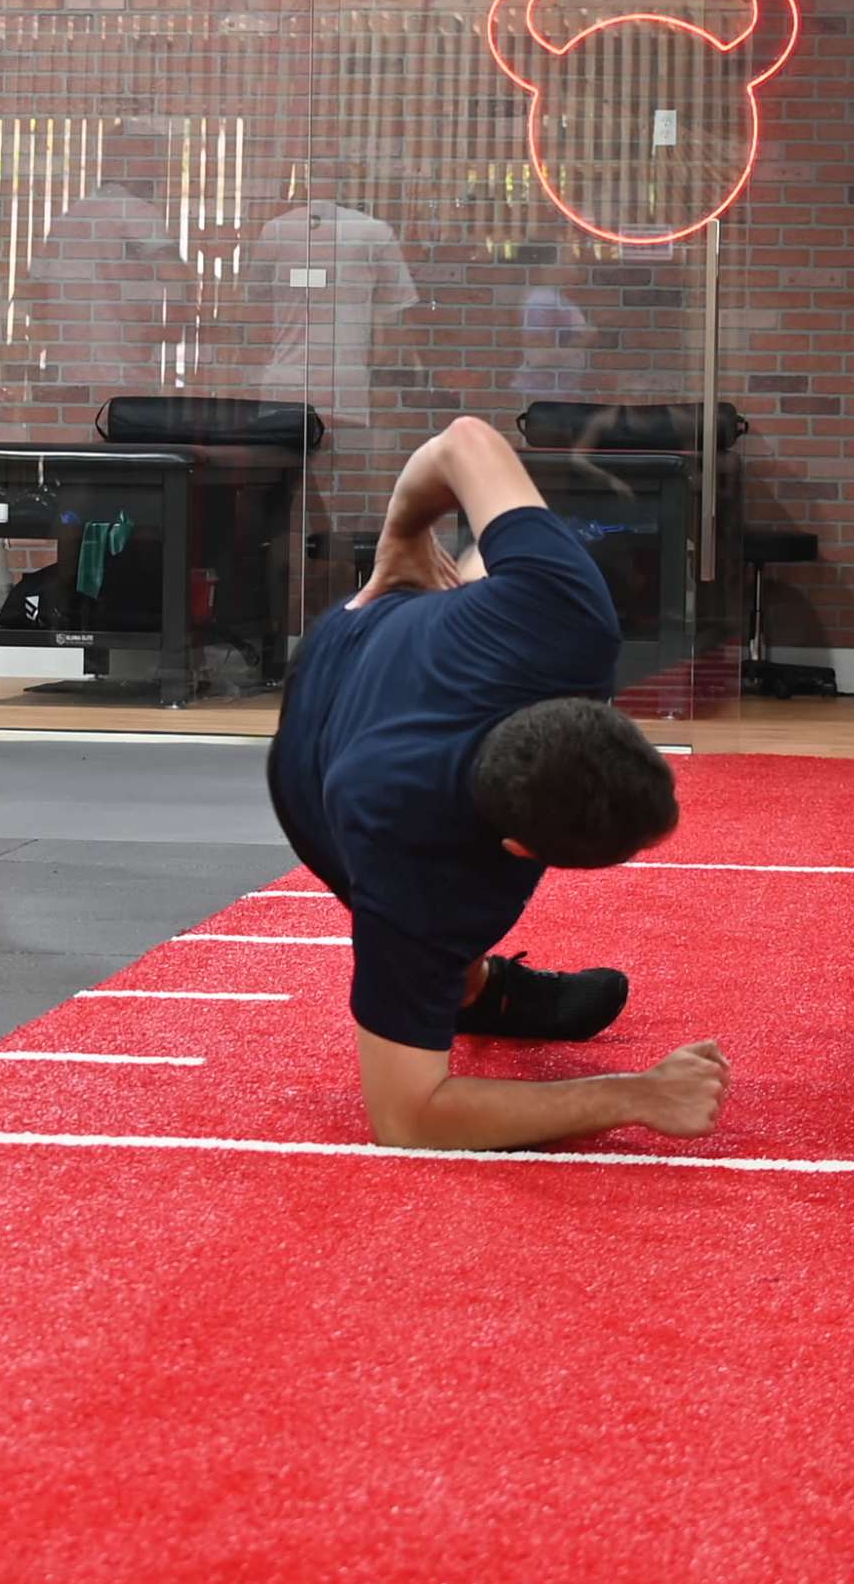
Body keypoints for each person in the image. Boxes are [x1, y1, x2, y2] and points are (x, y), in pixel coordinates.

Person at [266, 414, 729, 1151]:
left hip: (391, 627)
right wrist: (634, 1095)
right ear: (517, 848)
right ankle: (470, 989)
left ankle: (471, 988)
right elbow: (407, 1118)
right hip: (310, 764)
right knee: (433, 940)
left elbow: (466, 439)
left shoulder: (566, 622)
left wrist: (405, 532)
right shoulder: (407, 865)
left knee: (503, 553)